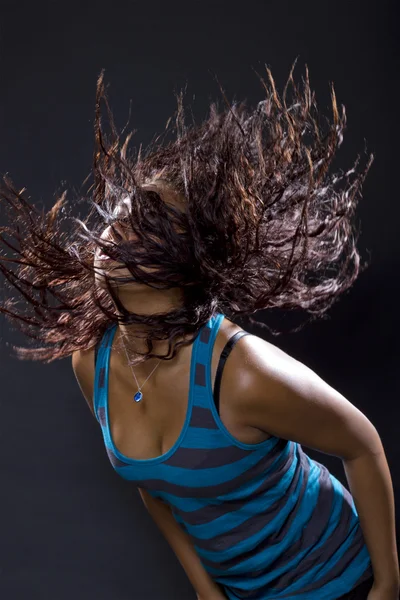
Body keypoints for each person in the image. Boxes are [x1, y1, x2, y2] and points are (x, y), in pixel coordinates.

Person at [0, 64, 398, 600]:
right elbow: (156, 488)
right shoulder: (92, 362)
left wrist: (388, 586)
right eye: (125, 214)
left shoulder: (242, 375)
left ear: (184, 274)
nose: (116, 230)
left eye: (148, 229)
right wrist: (207, 592)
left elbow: (363, 443)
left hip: (334, 580)